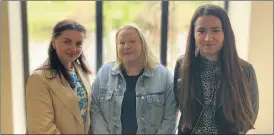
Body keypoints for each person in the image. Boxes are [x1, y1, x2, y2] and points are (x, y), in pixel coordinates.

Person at [173, 4, 259, 135]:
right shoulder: (182, 65)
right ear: (193, 34)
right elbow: (177, 104)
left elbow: (250, 114)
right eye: (201, 31)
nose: (208, 38)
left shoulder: (245, 70)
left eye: (215, 30)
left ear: (226, 33)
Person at [90, 24, 177, 134]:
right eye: (122, 43)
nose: (126, 46)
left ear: (143, 45)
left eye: (132, 41)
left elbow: (170, 118)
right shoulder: (104, 73)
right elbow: (95, 111)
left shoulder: (164, 76)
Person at [26, 19, 92, 134]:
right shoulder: (39, 79)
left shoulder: (81, 71)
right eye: (67, 42)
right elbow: (41, 129)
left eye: (78, 43)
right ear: (53, 43)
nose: (73, 49)